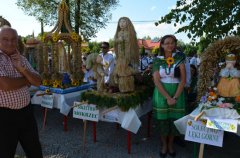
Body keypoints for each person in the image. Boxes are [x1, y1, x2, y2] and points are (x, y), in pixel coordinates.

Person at [0, 26, 43, 158]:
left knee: (35, 151)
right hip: (4, 117)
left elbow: (38, 81)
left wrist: (22, 70)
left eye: (13, 39)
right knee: (5, 153)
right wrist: (26, 80)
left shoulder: (22, 59)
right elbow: (5, 84)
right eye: (5, 39)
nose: (10, 42)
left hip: (26, 113)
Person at [152, 35, 186, 158]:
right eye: (167, 43)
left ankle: (171, 144)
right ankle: (164, 145)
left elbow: (183, 80)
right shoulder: (157, 60)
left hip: (177, 92)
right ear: (161, 45)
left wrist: (175, 97)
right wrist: (168, 97)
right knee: (163, 121)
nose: (170, 45)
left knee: (173, 120)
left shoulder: (180, 58)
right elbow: (156, 80)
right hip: (161, 93)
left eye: (172, 43)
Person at [113, 17, 139, 92]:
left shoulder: (130, 33)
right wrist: (118, 40)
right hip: (121, 56)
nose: (121, 23)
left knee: (128, 71)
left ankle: (129, 86)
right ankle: (122, 87)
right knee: (121, 71)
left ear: (128, 23)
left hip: (128, 55)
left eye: (124, 22)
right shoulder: (118, 33)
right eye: (120, 22)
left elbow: (133, 43)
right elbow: (115, 41)